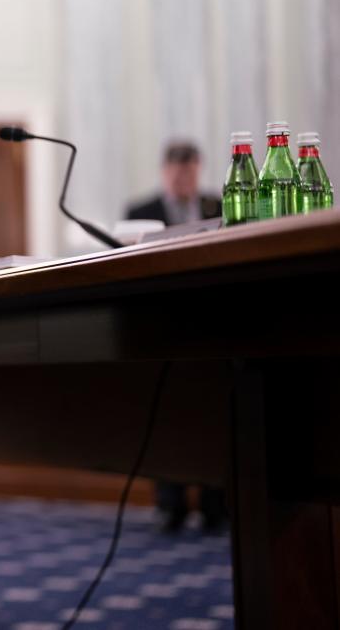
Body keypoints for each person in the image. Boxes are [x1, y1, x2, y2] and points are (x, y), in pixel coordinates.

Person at [126, 140, 225, 533]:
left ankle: (218, 505)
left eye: (191, 170)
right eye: (177, 171)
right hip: (161, 326)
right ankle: (171, 504)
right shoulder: (141, 212)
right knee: (167, 414)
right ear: (165, 171)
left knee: (214, 417)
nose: (184, 178)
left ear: (199, 169)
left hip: (213, 327)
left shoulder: (216, 204)